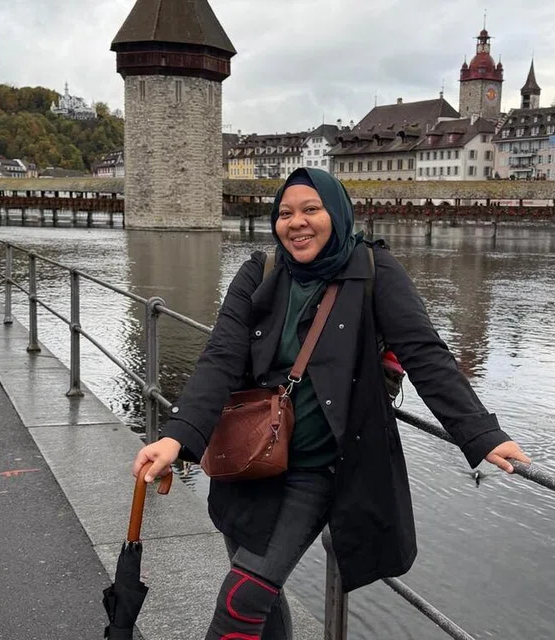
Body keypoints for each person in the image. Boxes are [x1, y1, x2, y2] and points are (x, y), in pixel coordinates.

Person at [132, 167, 530, 639]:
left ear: (337, 213)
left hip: (318, 468)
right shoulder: (259, 273)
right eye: (284, 213)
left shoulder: (374, 272)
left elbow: (424, 353)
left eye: (310, 209)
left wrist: (480, 433)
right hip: (249, 458)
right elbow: (220, 356)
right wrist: (177, 436)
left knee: (243, 599)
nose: (295, 222)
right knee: (264, 593)